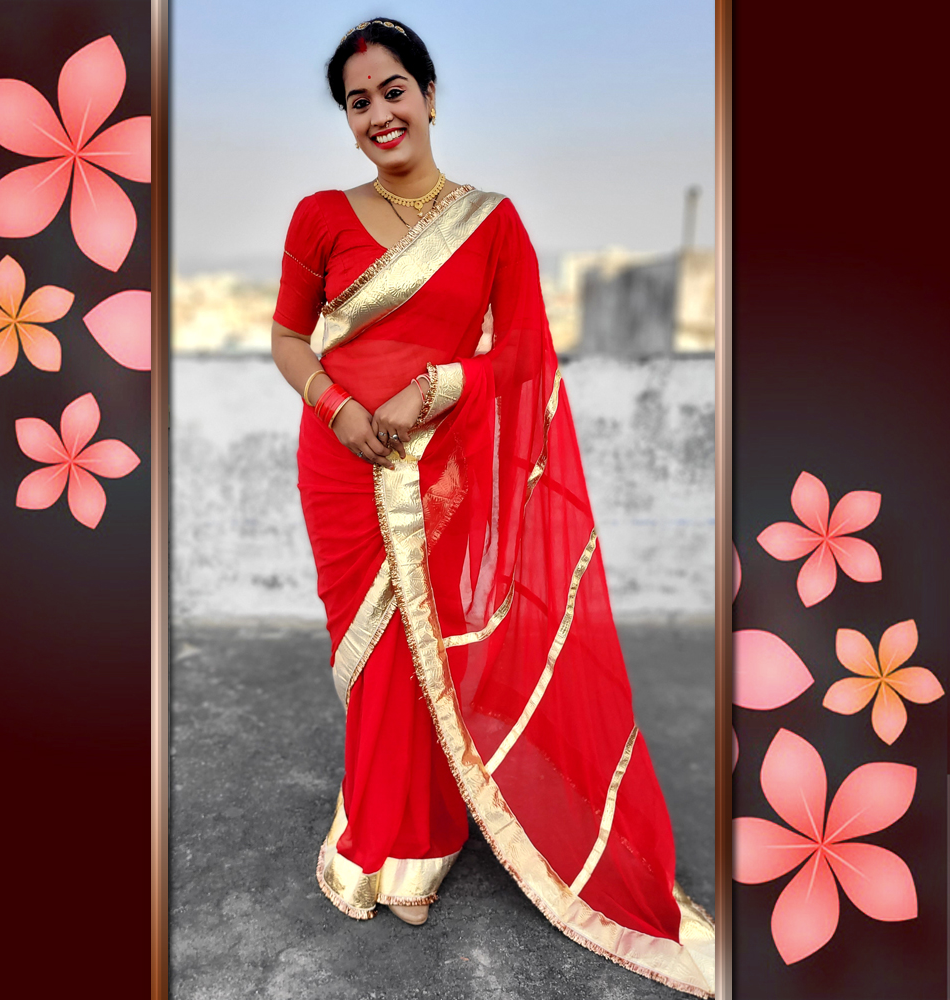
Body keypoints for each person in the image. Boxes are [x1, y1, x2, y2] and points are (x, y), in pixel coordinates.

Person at [270, 17, 714, 998]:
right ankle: (378, 826)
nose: (379, 114)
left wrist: (435, 388)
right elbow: (288, 339)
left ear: (430, 97)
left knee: (430, 642)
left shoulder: (492, 222)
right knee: (375, 656)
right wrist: (339, 408)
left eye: (394, 91)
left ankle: (423, 837)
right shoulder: (320, 216)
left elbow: (520, 353)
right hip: (340, 464)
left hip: (440, 465)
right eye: (358, 102)